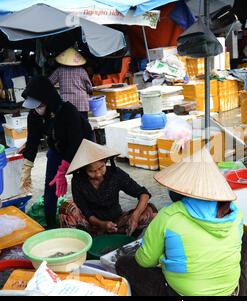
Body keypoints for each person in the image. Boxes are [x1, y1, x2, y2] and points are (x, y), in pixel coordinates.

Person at [115, 149, 247, 296]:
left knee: (124, 264)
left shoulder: (169, 215)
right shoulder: (235, 213)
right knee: (246, 239)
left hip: (180, 293)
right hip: (229, 291)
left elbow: (145, 261)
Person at [20, 76, 94, 229]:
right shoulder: (34, 116)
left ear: (48, 100)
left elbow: (76, 141)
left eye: (39, 105)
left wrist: (63, 171)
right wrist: (27, 168)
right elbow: (32, 142)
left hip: (81, 148)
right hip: (57, 149)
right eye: (33, 106)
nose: (36, 109)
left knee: (84, 184)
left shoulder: (68, 111)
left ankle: (94, 221)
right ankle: (51, 225)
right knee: (50, 187)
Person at [59, 139, 155, 237]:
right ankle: (83, 242)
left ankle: (127, 237)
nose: (98, 174)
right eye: (91, 171)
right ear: (84, 169)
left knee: (150, 210)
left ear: (105, 161)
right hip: (91, 226)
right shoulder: (78, 181)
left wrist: (135, 216)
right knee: (66, 207)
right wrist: (102, 224)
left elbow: (143, 194)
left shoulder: (115, 174)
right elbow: (85, 210)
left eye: (101, 167)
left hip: (117, 223)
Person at [49, 48, 92, 119]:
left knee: (69, 126)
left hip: (66, 104)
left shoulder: (59, 70)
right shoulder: (82, 71)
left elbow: (49, 83)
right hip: (81, 103)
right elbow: (89, 88)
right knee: (83, 126)